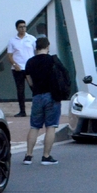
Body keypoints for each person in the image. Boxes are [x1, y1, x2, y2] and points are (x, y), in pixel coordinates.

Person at [23, 37, 61, 166]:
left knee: (34, 126)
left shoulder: (30, 62)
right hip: (51, 95)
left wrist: (36, 88)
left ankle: (28, 156)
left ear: (36, 47)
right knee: (51, 126)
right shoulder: (52, 60)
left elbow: (29, 80)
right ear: (47, 46)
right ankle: (46, 156)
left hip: (37, 96)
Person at [7, 19, 37, 117]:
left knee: (34, 88)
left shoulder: (32, 38)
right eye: (20, 27)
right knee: (20, 90)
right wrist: (15, 65)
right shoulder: (12, 41)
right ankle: (22, 111)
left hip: (30, 68)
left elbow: (37, 52)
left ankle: (37, 110)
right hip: (18, 69)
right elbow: (9, 55)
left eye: (24, 26)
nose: (23, 29)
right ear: (17, 28)